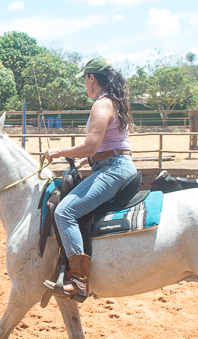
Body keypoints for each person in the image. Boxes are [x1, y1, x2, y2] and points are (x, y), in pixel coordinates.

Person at [42, 56, 137, 302]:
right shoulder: (114, 102)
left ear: (91, 78)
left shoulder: (101, 104)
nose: (84, 84)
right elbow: (106, 145)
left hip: (112, 169)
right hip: (114, 164)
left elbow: (90, 144)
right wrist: (88, 160)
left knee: (64, 212)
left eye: (85, 79)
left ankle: (79, 281)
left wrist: (59, 152)